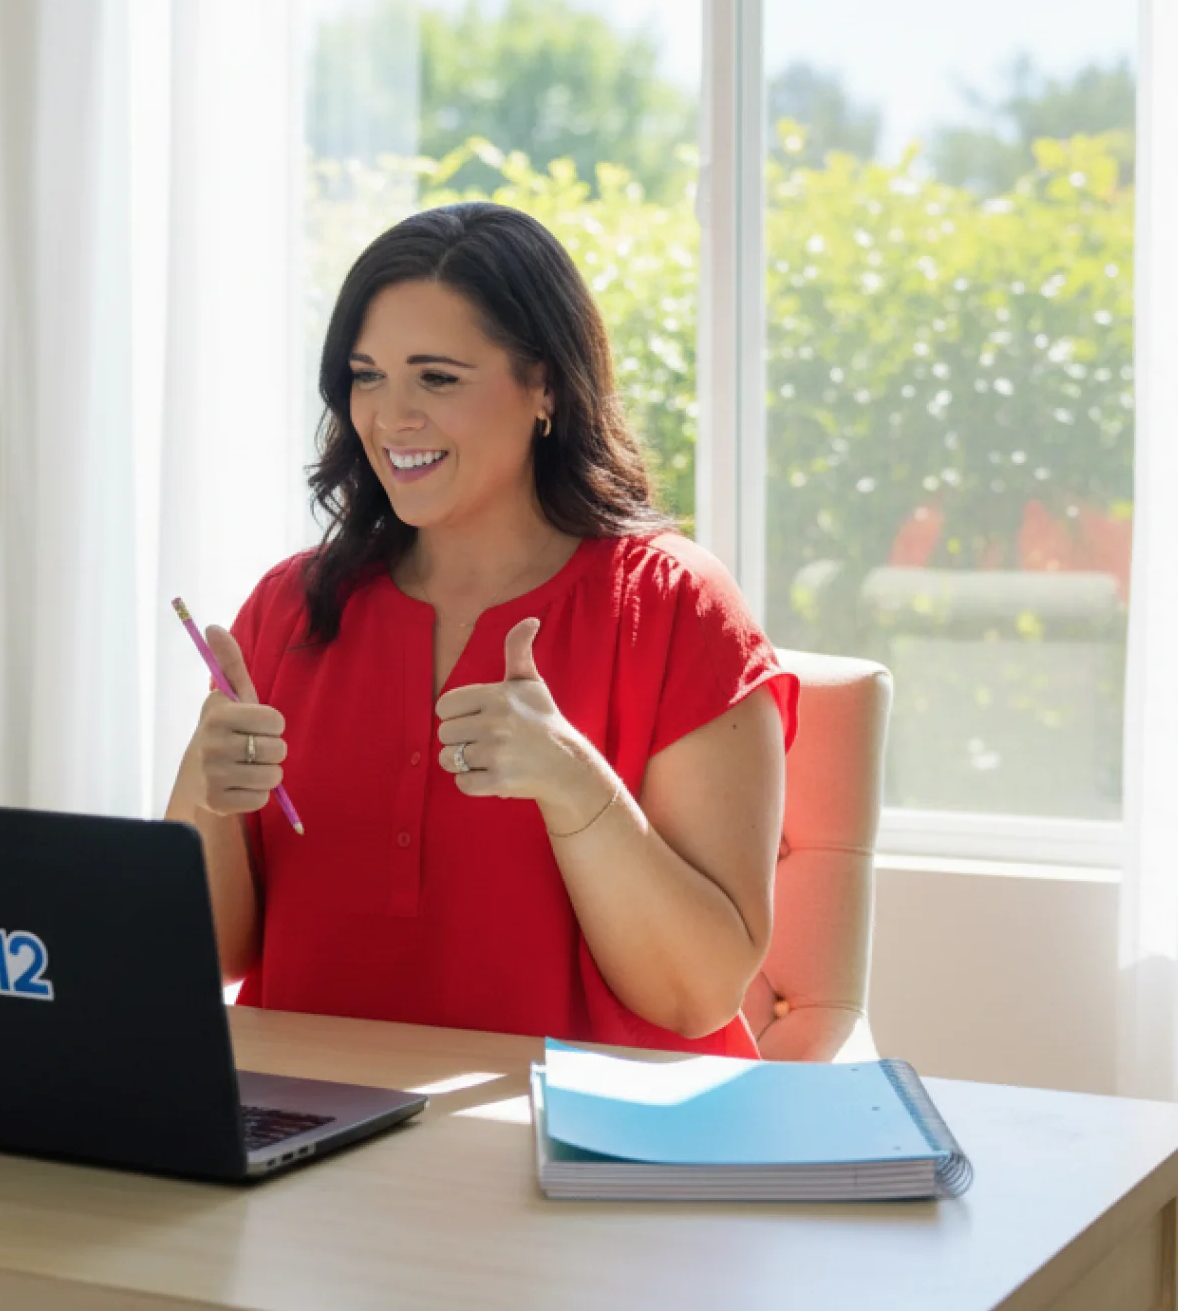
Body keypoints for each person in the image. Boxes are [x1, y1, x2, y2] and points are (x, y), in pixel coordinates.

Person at [163, 202, 797, 1058]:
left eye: (438, 377)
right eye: (367, 375)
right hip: (311, 1139)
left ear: (546, 385)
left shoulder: (676, 606)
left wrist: (576, 786)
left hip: (578, 1156)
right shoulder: (286, 611)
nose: (391, 418)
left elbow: (697, 993)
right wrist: (205, 797)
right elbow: (211, 957)